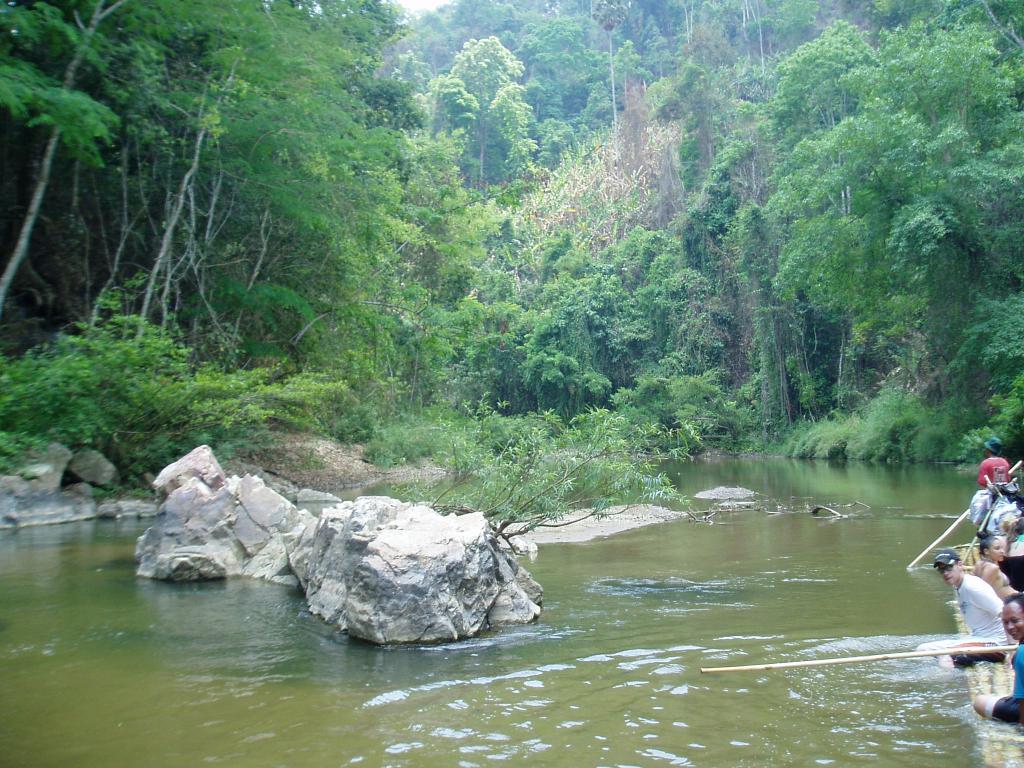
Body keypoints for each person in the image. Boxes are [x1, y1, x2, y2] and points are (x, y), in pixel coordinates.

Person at [917, 549, 1007, 667]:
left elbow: (1004, 613)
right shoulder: (958, 585)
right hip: (978, 638)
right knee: (922, 650)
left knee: (946, 655)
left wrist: (1012, 648)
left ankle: (948, 682)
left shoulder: (973, 587)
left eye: (949, 567)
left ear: (960, 565)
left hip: (996, 643)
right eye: (941, 569)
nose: (945, 573)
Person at [973, 594, 1024, 724]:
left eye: (1015, 620)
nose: (1010, 627)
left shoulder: (1021, 653)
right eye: (1006, 622)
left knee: (979, 702)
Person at [975, 534, 1017, 599]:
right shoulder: (992, 568)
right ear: (986, 551)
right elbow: (982, 593)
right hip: (1007, 604)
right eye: (997, 548)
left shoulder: (979, 564)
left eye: (1002, 548)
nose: (1002, 551)